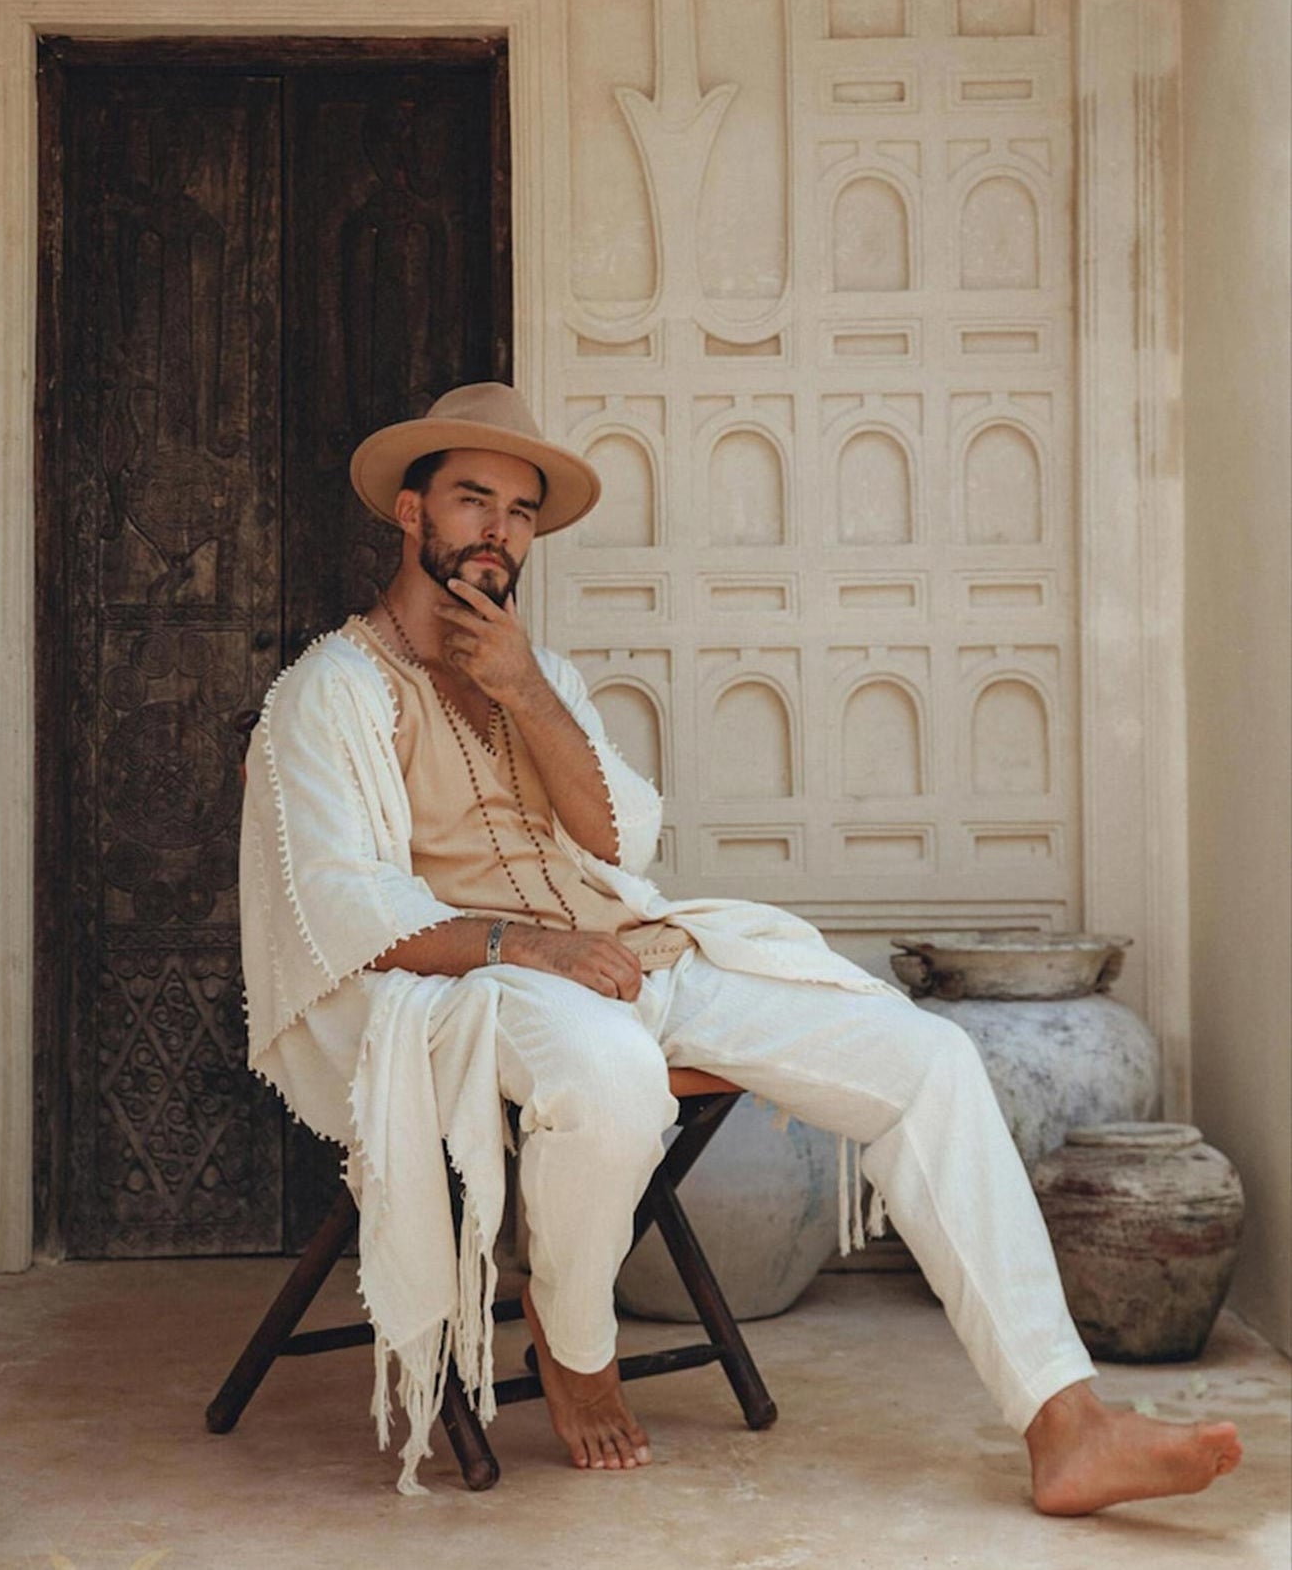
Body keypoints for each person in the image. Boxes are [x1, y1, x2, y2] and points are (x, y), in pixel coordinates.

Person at [238, 382, 1242, 1509]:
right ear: (411, 512)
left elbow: (618, 836)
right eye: (475, 499)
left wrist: (525, 693)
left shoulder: (540, 673)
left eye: (521, 511)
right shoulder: (329, 690)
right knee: (610, 1072)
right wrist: (532, 947)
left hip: (621, 956)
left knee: (926, 1060)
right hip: (467, 989)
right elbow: (339, 907)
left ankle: (1070, 1420)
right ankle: (575, 1351)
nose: (499, 531)